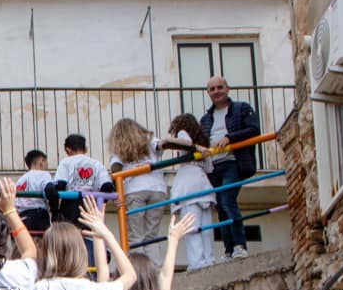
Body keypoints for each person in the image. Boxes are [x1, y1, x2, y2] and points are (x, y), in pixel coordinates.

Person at [200, 77, 261, 259]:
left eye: (220, 87)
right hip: (213, 167)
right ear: (208, 93)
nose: (216, 91)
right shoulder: (205, 119)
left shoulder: (241, 108)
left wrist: (229, 138)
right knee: (221, 206)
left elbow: (254, 130)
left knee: (227, 200)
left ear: (227, 89)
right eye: (212, 89)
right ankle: (229, 250)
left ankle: (240, 245)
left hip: (233, 162)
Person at [107, 119, 168, 264]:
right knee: (152, 235)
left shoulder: (119, 148)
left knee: (136, 236)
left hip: (133, 189)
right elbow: (163, 145)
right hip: (158, 189)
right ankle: (155, 269)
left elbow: (115, 169)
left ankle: (139, 270)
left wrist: (116, 193)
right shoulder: (149, 140)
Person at [161, 115, 217, 270]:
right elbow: (209, 168)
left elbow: (184, 142)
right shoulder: (204, 142)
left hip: (187, 184)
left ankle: (197, 263)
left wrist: (168, 141)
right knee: (206, 228)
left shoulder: (182, 133)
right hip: (204, 184)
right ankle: (209, 259)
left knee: (191, 226)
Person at [43, 134, 107, 226]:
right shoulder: (97, 164)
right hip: (91, 204)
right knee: (90, 232)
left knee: (68, 233)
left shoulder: (66, 162)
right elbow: (107, 186)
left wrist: (55, 211)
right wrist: (101, 203)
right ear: (86, 149)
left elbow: (60, 185)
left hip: (70, 204)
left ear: (67, 150)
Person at [15, 149, 53, 233]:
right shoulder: (43, 174)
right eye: (46, 163)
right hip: (38, 217)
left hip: (21, 218)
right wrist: (55, 211)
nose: (47, 166)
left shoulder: (20, 180)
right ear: (41, 161)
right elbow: (50, 189)